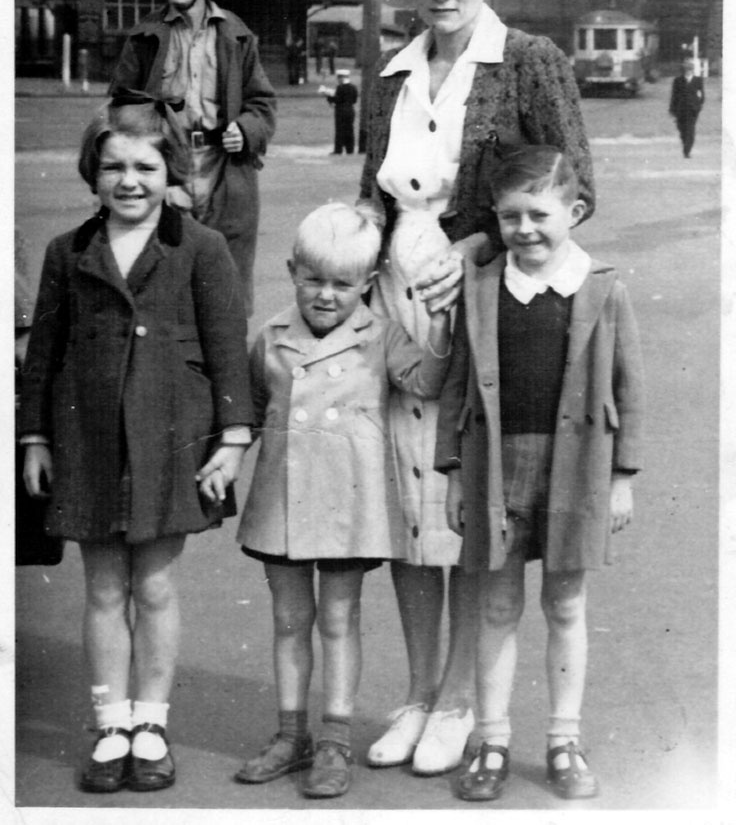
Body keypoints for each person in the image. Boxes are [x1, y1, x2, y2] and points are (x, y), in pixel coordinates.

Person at [355, 0, 594, 776]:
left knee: (462, 506)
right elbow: (373, 195)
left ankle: (460, 700)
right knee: (406, 509)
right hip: (396, 303)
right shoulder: (390, 75)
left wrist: (476, 245)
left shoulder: (529, 60)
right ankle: (419, 693)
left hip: (485, 308)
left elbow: (578, 188)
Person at [19, 98, 254, 793]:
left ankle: (150, 723)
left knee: (153, 585)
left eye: (146, 167)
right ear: (92, 174)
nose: (129, 181)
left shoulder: (200, 247)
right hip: (87, 441)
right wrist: (35, 435)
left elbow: (227, 346)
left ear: (171, 170)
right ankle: (110, 723)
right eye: (113, 167)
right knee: (102, 587)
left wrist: (233, 437)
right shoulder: (67, 252)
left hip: (172, 437)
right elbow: (43, 354)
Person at [435, 143, 644, 801]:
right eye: (510, 217)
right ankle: (491, 739)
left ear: (574, 211)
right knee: (497, 604)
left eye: (538, 214)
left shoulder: (604, 287)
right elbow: (457, 384)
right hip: (497, 467)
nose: (524, 229)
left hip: (574, 470)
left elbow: (629, 387)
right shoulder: (481, 289)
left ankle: (563, 740)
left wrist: (621, 477)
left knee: (566, 604)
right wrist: (452, 473)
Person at [234, 203, 452, 798]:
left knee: (337, 619)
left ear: (367, 283)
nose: (326, 295)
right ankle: (290, 735)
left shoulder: (381, 335)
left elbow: (427, 379)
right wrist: (226, 457)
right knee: (288, 621)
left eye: (343, 283)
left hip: (346, 509)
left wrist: (441, 321)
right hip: (281, 504)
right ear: (292, 271)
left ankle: (334, 740)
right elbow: (247, 413)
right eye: (313, 279)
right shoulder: (272, 337)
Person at [109, 0, 277, 316]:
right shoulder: (146, 35)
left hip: (224, 173)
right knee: (164, 284)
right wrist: (149, 154)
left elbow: (263, 103)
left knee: (225, 289)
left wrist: (246, 129)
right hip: (168, 171)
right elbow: (120, 105)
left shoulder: (236, 35)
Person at [669, 57, 704, 158]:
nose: (688, 71)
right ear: (683, 70)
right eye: (686, 69)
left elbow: (702, 95)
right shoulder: (677, 80)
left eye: (690, 69)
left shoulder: (698, 80)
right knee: (682, 130)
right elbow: (674, 95)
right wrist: (672, 109)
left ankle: (687, 151)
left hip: (693, 110)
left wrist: (698, 106)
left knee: (690, 131)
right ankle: (685, 144)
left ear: (692, 70)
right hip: (680, 109)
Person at [327, 69, 359, 155]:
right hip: (350, 110)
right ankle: (350, 149)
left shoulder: (340, 88)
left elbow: (338, 100)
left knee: (340, 130)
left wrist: (329, 97)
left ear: (341, 78)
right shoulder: (353, 87)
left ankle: (338, 149)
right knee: (350, 130)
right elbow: (354, 100)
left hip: (341, 111)